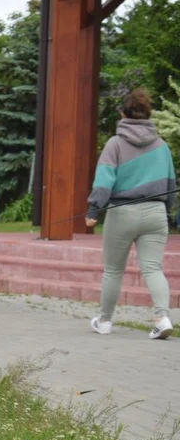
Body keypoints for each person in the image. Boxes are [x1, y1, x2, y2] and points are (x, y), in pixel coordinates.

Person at [87, 88, 177, 339]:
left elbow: (104, 179)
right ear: (148, 114)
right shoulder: (162, 146)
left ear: (123, 114)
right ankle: (162, 318)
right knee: (153, 268)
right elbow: (171, 183)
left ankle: (105, 321)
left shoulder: (115, 144)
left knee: (113, 270)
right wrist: (167, 210)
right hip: (156, 212)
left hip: (122, 212)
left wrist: (94, 208)